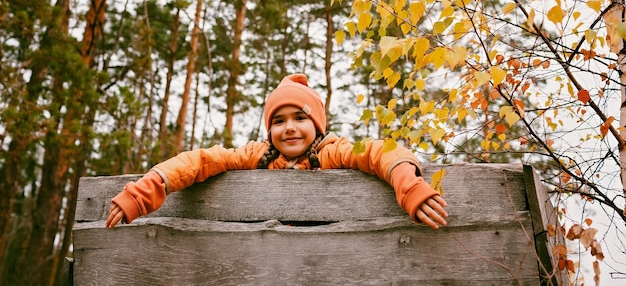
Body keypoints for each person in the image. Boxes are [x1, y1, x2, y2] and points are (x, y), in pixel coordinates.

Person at [106, 74, 448, 230]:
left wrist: (410, 186)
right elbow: (201, 160)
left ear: (317, 124)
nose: (289, 128)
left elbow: (380, 153)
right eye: (279, 120)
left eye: (300, 117)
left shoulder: (332, 151)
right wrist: (147, 189)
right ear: (269, 129)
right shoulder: (258, 155)